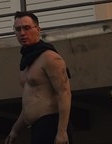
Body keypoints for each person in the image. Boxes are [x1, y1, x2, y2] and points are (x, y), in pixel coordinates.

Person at [6, 12, 72, 144]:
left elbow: (64, 93)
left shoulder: (50, 58)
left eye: (27, 28)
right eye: (18, 29)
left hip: (51, 124)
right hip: (37, 127)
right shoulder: (27, 63)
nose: (22, 33)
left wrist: (61, 131)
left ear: (38, 29)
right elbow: (31, 102)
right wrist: (15, 130)